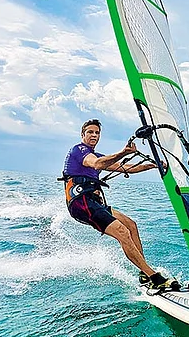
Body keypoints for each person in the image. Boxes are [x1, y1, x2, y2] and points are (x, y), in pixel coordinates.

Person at [62, 118, 176, 289]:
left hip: (94, 202)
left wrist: (153, 165)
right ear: (82, 134)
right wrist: (124, 152)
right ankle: (154, 277)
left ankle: (144, 274)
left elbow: (126, 168)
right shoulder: (79, 150)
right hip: (80, 202)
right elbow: (97, 163)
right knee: (122, 232)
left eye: (97, 132)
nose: (94, 135)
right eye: (90, 132)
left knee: (130, 225)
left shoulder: (99, 156)